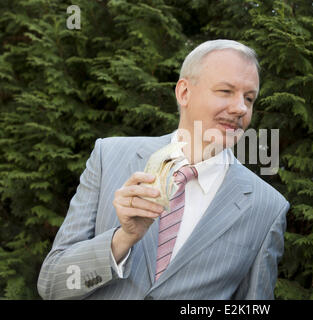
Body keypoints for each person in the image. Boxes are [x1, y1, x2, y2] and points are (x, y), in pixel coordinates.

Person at [37, 39, 290, 300]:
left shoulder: (268, 207)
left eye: (249, 98)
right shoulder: (108, 156)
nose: (240, 108)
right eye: (225, 91)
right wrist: (122, 240)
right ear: (184, 93)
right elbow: (52, 284)